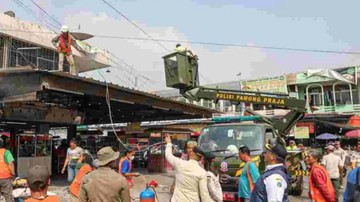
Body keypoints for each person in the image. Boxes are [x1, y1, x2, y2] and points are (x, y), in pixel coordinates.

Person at [164, 134, 211, 202]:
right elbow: (204, 196)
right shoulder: (202, 172)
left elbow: (168, 155)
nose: (189, 150)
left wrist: (169, 143)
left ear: (191, 154)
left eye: (191, 148)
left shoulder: (179, 163)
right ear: (200, 158)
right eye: (188, 148)